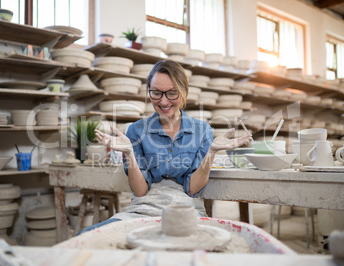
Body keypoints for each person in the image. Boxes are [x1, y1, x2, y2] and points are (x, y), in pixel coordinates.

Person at [78, 60, 251, 234]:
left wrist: (211, 153)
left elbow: (192, 189)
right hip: (141, 211)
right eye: (156, 93)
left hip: (188, 212)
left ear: (184, 92)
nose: (163, 101)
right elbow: (140, 191)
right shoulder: (136, 130)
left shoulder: (202, 130)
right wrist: (129, 153)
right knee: (85, 238)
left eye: (171, 93)